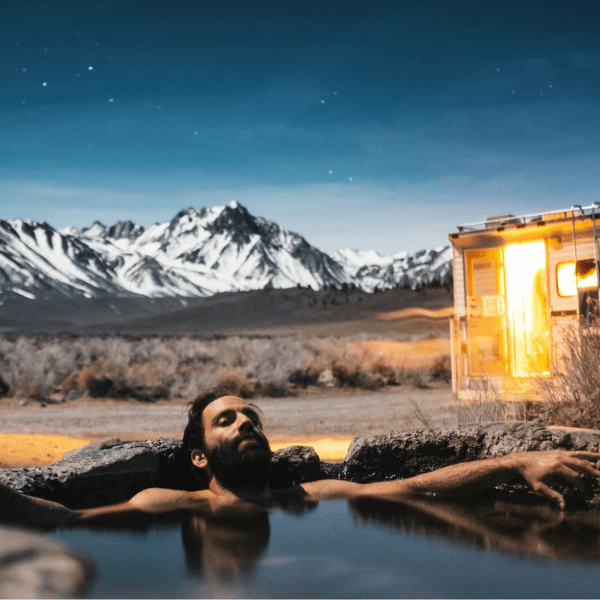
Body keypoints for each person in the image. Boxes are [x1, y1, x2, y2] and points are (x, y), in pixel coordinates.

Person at [2, 389, 600, 526]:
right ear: (200, 459)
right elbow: (65, 521)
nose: (247, 423)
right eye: (227, 420)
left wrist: (515, 462)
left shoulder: (310, 497)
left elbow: (420, 487)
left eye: (253, 416)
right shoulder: (164, 503)